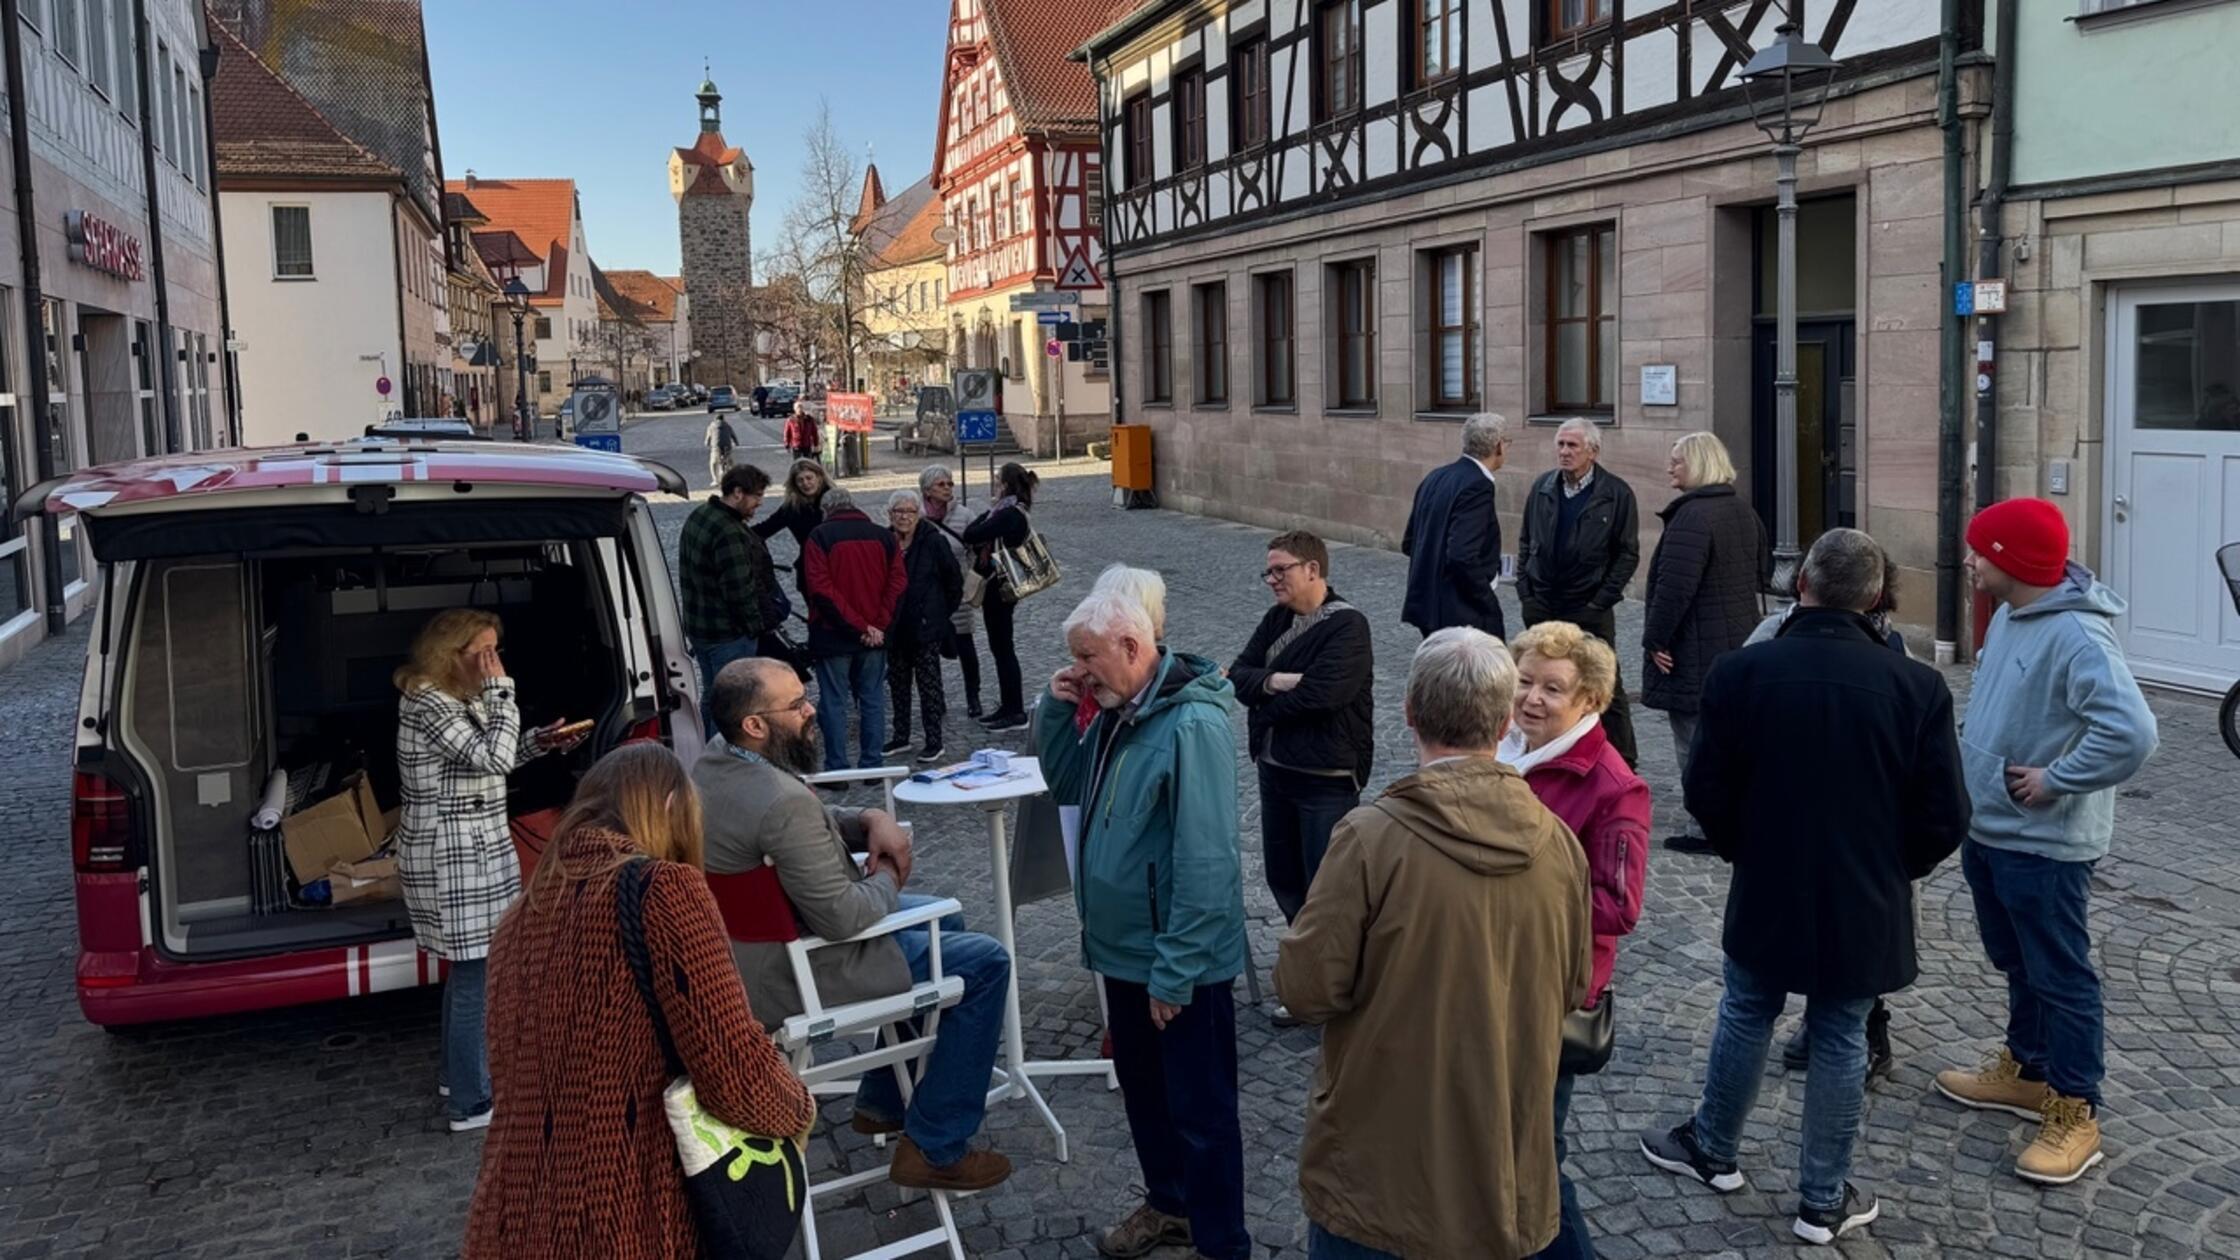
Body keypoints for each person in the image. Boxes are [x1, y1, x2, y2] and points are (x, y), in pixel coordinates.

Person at [1639, 529, 1969, 1247]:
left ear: (1802, 587)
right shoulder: (1916, 686)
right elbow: (1945, 814)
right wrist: (1890, 866)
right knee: (1840, 1031)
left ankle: (1715, 1146)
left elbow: (1707, 790)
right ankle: (1820, 1198)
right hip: (1865, 888)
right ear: (1877, 600)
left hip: (1771, 876)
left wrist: (1746, 851)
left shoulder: (1741, 673)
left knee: (1749, 1008)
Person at [1277, 628, 1591, 1260]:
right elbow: (1574, 985)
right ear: (1505, 720)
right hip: (1502, 1161)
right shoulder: (1559, 842)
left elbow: (1307, 989)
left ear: (1410, 712)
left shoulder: (1370, 840)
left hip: (1380, 1169)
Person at [463, 744, 815, 1260]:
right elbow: (733, 1064)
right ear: (672, 807)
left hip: (510, 1216)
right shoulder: (665, 888)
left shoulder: (518, 918)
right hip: (623, 1212)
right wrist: (798, 1107)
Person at [694, 659, 1014, 1192]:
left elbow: (799, 837)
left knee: (949, 918)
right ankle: (935, 1146)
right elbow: (842, 917)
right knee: (986, 962)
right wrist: (890, 871)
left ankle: (882, 1099)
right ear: (754, 724)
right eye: (795, 705)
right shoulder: (780, 800)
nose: (811, 708)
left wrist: (867, 819)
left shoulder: (712, 762)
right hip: (800, 968)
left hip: (748, 951)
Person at [1934, 499, 2158, 1186]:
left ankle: (2076, 1110)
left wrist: (2059, 778)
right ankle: (2028, 1072)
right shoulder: (2007, 616)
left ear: (2010, 558)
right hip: (1993, 827)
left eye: (1980, 550)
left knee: (2061, 975)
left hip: (2046, 843)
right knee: (2018, 961)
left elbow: (2133, 732)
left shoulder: (2079, 639)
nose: (1969, 560)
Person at [1034, 591, 1250, 1260]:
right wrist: (1057, 705)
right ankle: (1169, 1205)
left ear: (1133, 648)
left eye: (1088, 657)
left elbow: (1207, 857)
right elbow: (1067, 785)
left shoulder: (1189, 726)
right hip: (1124, 952)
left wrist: (1176, 969)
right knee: (1148, 1101)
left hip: (1176, 959)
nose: (1081, 669)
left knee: (1202, 1114)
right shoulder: (1114, 710)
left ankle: (1220, 1242)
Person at [393, 609, 585, 1132]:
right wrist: (504, 695)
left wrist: (539, 743)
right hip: (454, 854)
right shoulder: (428, 700)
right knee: (476, 974)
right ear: (449, 653)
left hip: (474, 849)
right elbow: (491, 758)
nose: (494, 662)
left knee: (470, 971)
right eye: (483, 652)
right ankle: (471, 1103)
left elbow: (487, 758)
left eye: (497, 650)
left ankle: (459, 1078)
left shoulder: (459, 695)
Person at [1498, 621, 1650, 1260]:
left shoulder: (1614, 786)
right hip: (1491, 975)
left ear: (1588, 701)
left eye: (1552, 689)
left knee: (1537, 1152)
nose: (1532, 698)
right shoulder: (1503, 748)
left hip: (1550, 989)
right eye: (1524, 682)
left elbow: (1619, 905)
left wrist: (1505, 894)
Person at [1756, 555, 1907, 1078]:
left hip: (1855, 836)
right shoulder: (1772, 637)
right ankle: (1831, 1027)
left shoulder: (1892, 652)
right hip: (1826, 833)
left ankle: (1865, 1030)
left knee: (1839, 967)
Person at [1226, 531, 1372, 1027]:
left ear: (1312, 569)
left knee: (1326, 887)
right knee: (1283, 875)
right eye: (1268, 571)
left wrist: (1266, 703)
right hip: (1275, 769)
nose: (1272, 580)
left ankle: (1332, 987)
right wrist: (1272, 681)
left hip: (1325, 775)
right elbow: (1238, 674)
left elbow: (1325, 695)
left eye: (1280, 570)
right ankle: (1310, 974)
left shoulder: (1348, 626)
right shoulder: (1278, 619)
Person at [1639, 431, 1768, 854]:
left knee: (1694, 741)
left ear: (1698, 464)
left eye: (1677, 460)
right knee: (1731, 739)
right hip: (1736, 643)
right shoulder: (1742, 511)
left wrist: (1654, 639)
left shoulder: (1692, 518)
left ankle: (1706, 828)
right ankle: (1737, 816)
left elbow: (1673, 589)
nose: (1669, 466)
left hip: (1693, 649)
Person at [1516, 417, 1641, 767]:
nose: (1564, 452)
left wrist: (1600, 600)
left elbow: (1627, 553)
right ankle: (1543, 751)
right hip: (1542, 604)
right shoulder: (1543, 486)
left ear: (1593, 451)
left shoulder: (1615, 493)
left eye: (1572, 445)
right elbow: (1526, 540)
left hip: (1588, 607)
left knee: (1606, 684)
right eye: (1560, 444)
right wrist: (1527, 591)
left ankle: (1623, 761)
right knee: (1541, 679)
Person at [802, 486, 906, 775]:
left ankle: (837, 768)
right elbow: (897, 584)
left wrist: (859, 627)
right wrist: (877, 626)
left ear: (827, 510)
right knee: (872, 698)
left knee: (834, 701)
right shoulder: (884, 537)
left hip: (833, 633)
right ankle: (873, 766)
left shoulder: (820, 537)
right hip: (875, 635)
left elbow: (821, 589)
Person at [678, 464, 781, 739]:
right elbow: (739, 592)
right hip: (728, 634)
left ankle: (704, 751)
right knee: (731, 705)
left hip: (701, 629)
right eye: (756, 496)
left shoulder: (699, 515)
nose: (760, 502)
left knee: (713, 695)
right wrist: (757, 627)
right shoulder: (729, 532)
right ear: (737, 493)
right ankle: (720, 764)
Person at [1401, 411, 1510, 641]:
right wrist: (1486, 597)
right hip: (1460, 611)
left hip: (1428, 604)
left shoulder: (1436, 476)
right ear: (1498, 446)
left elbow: (1410, 542)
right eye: (1506, 442)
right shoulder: (1478, 485)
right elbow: (1462, 555)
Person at [883, 489, 963, 763]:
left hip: (925, 626)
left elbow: (954, 581)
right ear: (890, 514)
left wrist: (939, 613)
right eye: (898, 512)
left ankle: (934, 741)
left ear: (919, 515)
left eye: (909, 512)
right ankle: (901, 736)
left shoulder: (933, 542)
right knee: (898, 683)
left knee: (929, 685)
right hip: (894, 625)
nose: (904, 517)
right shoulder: (885, 541)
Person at [961, 462, 1041, 733]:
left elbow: (972, 532)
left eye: (997, 481)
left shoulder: (1009, 514)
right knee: (1001, 648)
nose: (994, 486)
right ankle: (1008, 706)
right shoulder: (1009, 511)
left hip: (1001, 588)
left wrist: (988, 513)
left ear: (1005, 484)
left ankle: (1014, 710)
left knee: (1003, 649)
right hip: (1001, 587)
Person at [920, 464, 985, 719]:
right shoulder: (918, 516)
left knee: (965, 645)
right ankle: (938, 699)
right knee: (930, 649)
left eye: (950, 484)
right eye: (941, 484)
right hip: (928, 593)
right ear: (927, 489)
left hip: (957, 591)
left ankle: (973, 697)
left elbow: (976, 548)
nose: (947, 488)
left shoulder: (964, 515)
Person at [755, 458, 832, 576]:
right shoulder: (792, 508)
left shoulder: (835, 500)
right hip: (811, 568)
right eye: (800, 480)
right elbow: (764, 529)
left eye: (809, 478)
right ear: (795, 484)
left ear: (819, 477)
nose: (805, 483)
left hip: (837, 563)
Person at [704, 409, 739, 488]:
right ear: (723, 419)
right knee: (730, 461)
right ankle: (734, 477)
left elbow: (708, 438)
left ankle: (715, 480)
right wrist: (736, 443)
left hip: (716, 447)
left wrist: (707, 443)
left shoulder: (711, 426)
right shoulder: (727, 425)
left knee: (713, 463)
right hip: (727, 447)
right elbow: (733, 435)